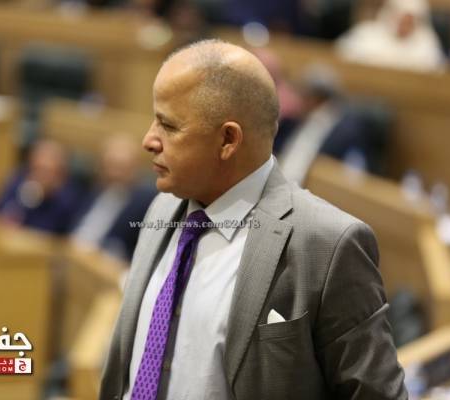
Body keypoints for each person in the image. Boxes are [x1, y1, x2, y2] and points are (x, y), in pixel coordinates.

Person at [100, 39, 407, 399]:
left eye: (168, 126)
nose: (149, 140)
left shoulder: (328, 244)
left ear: (228, 140)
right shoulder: (161, 209)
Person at [70, 134, 156, 261]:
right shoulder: (91, 189)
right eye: (110, 165)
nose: (114, 173)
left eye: (121, 167)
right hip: (72, 253)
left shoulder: (145, 201)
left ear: (134, 168)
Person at [0, 139, 86, 235]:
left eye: (46, 172)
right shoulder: (19, 180)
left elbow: (53, 235)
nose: (38, 176)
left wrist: (45, 197)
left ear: (60, 174)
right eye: (35, 169)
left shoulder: (68, 201)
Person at [336, 0, 445, 72]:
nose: (404, 26)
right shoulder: (367, 34)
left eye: (409, 22)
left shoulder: (427, 43)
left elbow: (436, 70)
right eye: (402, 20)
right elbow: (342, 56)